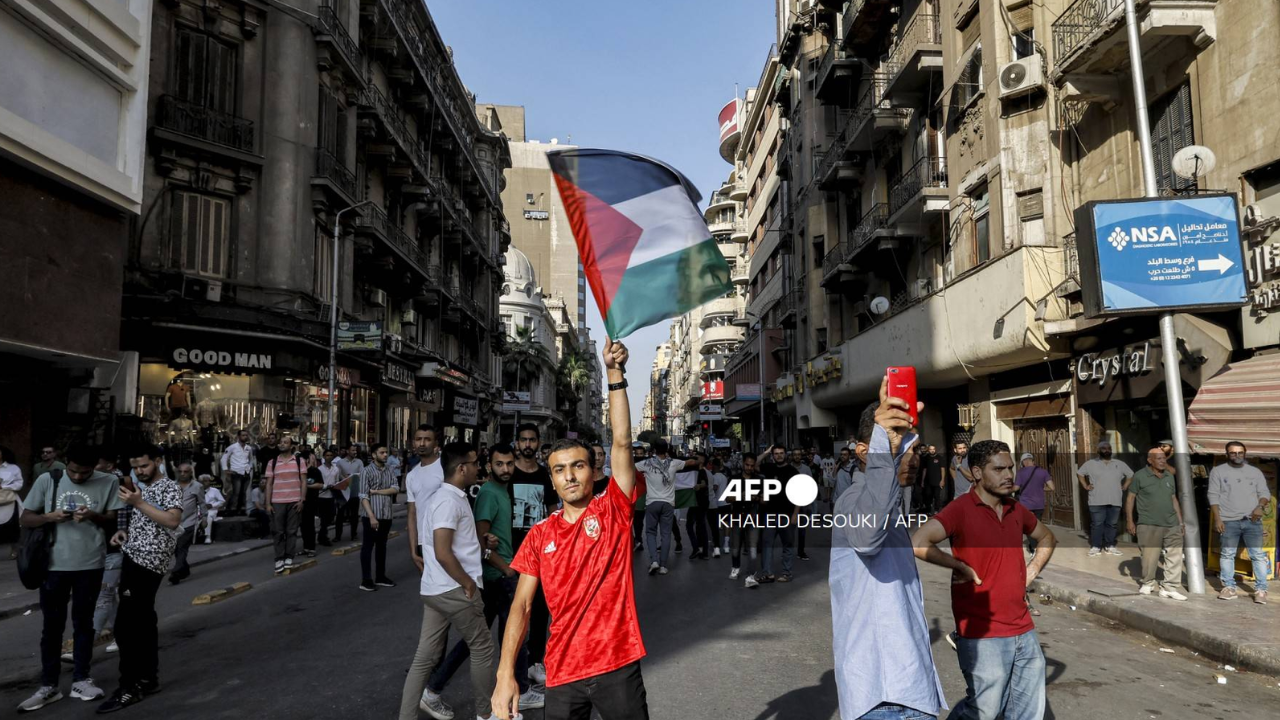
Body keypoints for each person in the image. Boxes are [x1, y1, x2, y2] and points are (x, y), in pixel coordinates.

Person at [492, 338, 650, 720]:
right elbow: (523, 606)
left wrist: (614, 374)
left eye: (578, 466)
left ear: (594, 471)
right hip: (561, 672)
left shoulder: (613, 509)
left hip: (617, 664)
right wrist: (504, 676)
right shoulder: (541, 534)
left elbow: (622, 443)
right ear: (553, 479)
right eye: (560, 470)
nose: (570, 476)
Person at [913, 439, 1057, 720]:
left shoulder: (1016, 509)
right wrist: (959, 566)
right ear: (977, 473)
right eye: (999, 469)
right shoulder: (961, 509)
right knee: (984, 711)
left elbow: (1046, 537)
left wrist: (1033, 568)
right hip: (981, 631)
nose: (1008, 475)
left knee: (1028, 712)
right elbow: (919, 542)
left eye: (1010, 468)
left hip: (1024, 629)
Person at [829, 380, 946, 720]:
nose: (912, 459)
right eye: (900, 447)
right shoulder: (852, 501)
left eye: (915, 449)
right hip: (887, 699)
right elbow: (866, 538)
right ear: (867, 452)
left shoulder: (890, 507)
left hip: (904, 690)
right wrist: (883, 437)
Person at [423, 444, 545, 715]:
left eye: (510, 463)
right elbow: (481, 543)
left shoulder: (502, 490)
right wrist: (507, 569)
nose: (506, 469)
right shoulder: (489, 493)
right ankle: (520, 692)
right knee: (515, 636)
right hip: (498, 577)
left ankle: (433, 688)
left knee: (477, 641)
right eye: (499, 464)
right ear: (489, 466)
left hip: (497, 577)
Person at [397, 442, 500, 720]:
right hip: (452, 590)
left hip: (436, 589)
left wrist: (482, 542)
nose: (479, 467)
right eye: (475, 463)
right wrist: (467, 583)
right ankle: (486, 715)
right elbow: (443, 552)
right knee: (481, 648)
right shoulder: (447, 500)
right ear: (462, 468)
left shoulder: (451, 497)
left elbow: (457, 545)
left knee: (424, 657)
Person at [17, 445, 123, 712]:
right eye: (73, 472)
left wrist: (91, 515)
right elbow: (26, 518)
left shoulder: (109, 481)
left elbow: (112, 519)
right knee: (51, 628)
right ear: (66, 464)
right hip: (52, 565)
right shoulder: (48, 479)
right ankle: (49, 685)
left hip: (90, 564)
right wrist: (48, 517)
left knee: (84, 624)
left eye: (84, 473)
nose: (77, 478)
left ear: (95, 467)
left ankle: (81, 679)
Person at [97, 444, 183, 713]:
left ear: (157, 461)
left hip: (149, 562)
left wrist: (139, 502)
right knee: (144, 621)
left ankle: (129, 686)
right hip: (133, 555)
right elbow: (142, 521)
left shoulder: (168, 486)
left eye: (144, 465)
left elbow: (171, 520)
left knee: (126, 626)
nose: (139, 471)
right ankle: (147, 678)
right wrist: (124, 533)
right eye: (135, 467)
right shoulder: (137, 486)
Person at [510, 422, 557, 685]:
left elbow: (552, 511)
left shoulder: (543, 475)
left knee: (539, 611)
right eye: (523, 440)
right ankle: (514, 662)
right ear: (517, 443)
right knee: (513, 612)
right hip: (512, 554)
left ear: (538, 442)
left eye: (532, 440)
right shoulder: (508, 474)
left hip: (539, 555)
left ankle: (535, 661)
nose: (528, 444)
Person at [1209, 441, 1272, 603]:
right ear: (1227, 454)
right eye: (1233, 453)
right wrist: (1217, 519)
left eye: (1240, 453)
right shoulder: (1218, 471)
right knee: (1227, 554)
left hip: (1252, 520)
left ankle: (1261, 590)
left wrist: (1260, 506)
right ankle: (1229, 588)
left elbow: (1264, 493)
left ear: (1245, 453)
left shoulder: (1255, 472)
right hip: (1228, 521)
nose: (1237, 456)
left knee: (1257, 555)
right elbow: (1213, 496)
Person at [1125, 447, 1186, 601]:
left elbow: (1173, 499)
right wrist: (1130, 521)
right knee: (1149, 556)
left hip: (1171, 523)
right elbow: (1130, 498)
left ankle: (1170, 587)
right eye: (1158, 459)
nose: (1163, 461)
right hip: (1149, 523)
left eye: (1164, 458)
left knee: (1175, 556)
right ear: (1150, 460)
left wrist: (1180, 521)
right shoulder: (1139, 476)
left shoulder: (1169, 476)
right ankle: (1148, 582)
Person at [636, 438, 686, 575]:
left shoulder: (646, 463)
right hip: (668, 504)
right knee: (665, 535)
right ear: (667, 449)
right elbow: (690, 463)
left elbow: (631, 468)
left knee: (650, 533)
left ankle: (654, 561)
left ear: (653, 450)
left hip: (652, 503)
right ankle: (663, 566)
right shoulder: (674, 463)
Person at [1077, 440, 1133, 557]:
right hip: (1096, 500)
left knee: (1112, 524)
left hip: (1115, 499)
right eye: (1103, 448)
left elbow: (1130, 474)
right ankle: (1096, 546)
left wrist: (1125, 485)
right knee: (1097, 524)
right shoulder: (1090, 464)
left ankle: (1110, 546)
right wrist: (1085, 485)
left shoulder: (1119, 463)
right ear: (1098, 451)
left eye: (1108, 448)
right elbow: (1080, 473)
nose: (1106, 450)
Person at [357, 443, 399, 591]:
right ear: (374, 455)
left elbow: (396, 488)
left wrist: (377, 492)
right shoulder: (366, 471)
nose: (385, 455)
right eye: (382, 452)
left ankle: (380, 576)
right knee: (368, 547)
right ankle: (366, 580)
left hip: (386, 514)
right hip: (371, 515)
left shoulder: (389, 470)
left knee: (382, 546)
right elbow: (363, 495)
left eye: (386, 452)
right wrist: (371, 516)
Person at [264, 435, 306, 574]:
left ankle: (289, 556)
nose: (282, 444)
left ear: (291, 446)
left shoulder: (299, 461)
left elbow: (304, 481)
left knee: (292, 531)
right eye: (281, 442)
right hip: (277, 502)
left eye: (285, 442)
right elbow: (269, 484)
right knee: (278, 531)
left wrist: (302, 500)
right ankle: (279, 558)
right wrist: (268, 503)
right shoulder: (273, 462)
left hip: (294, 501)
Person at [757, 445, 798, 583]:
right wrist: (766, 452)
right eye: (776, 453)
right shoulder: (769, 468)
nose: (779, 455)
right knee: (767, 543)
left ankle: (787, 573)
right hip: (770, 514)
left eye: (781, 453)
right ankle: (768, 573)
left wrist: (795, 515)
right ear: (772, 456)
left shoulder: (793, 472)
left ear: (786, 454)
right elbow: (755, 464)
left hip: (787, 514)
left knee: (787, 544)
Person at [728, 452, 761, 588]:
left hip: (753, 517)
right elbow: (727, 498)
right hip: (737, 517)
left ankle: (750, 575)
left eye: (752, 466)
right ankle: (736, 567)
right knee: (735, 548)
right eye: (747, 465)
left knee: (752, 549)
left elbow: (765, 500)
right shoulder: (734, 479)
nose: (749, 468)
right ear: (743, 464)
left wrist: (756, 498)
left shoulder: (759, 480)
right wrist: (740, 495)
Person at [167, 463, 203, 585]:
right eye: (180, 471)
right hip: (172, 523)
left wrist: (204, 518)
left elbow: (202, 503)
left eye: (186, 471)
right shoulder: (171, 485)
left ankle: (175, 573)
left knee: (182, 547)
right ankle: (185, 570)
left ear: (190, 473)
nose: (183, 474)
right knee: (176, 549)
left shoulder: (197, 486)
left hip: (189, 522)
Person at [1013, 453, 1054, 552]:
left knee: (1028, 526)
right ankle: (1037, 544)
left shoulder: (1021, 472)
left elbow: (1016, 488)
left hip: (1026, 505)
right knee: (1037, 524)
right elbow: (1052, 487)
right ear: (1032, 461)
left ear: (1023, 462)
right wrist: (1041, 488)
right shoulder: (1043, 472)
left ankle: (1034, 547)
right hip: (1039, 504)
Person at [220, 430, 255, 516]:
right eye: (243, 435)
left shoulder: (248, 448)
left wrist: (250, 467)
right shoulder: (232, 447)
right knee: (236, 492)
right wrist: (225, 469)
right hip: (236, 472)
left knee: (243, 493)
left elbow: (251, 459)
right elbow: (224, 458)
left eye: (246, 435)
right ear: (238, 436)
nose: (245, 437)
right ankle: (232, 510)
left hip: (246, 473)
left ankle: (241, 510)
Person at [335, 444, 364, 542]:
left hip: (354, 491)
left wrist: (351, 478)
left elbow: (361, 474)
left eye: (355, 450)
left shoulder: (359, 462)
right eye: (352, 450)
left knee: (354, 514)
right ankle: (337, 535)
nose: (355, 452)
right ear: (347, 451)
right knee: (340, 514)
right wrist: (346, 479)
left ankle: (354, 534)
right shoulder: (340, 462)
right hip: (343, 491)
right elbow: (338, 474)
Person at [918, 444, 944, 515]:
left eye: (933, 449)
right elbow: (924, 470)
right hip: (928, 482)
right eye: (930, 449)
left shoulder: (939, 458)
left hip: (937, 481)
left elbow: (942, 469)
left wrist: (942, 480)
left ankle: (936, 510)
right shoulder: (926, 458)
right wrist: (923, 481)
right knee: (928, 496)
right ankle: (929, 510)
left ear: (935, 449)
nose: (932, 450)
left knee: (936, 496)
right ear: (928, 450)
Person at [201, 476, 224, 544]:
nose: (204, 483)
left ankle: (208, 537)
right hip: (199, 510)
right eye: (202, 481)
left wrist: (212, 505)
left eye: (206, 481)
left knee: (208, 517)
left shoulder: (215, 491)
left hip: (211, 510)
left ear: (209, 482)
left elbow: (222, 501)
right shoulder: (198, 491)